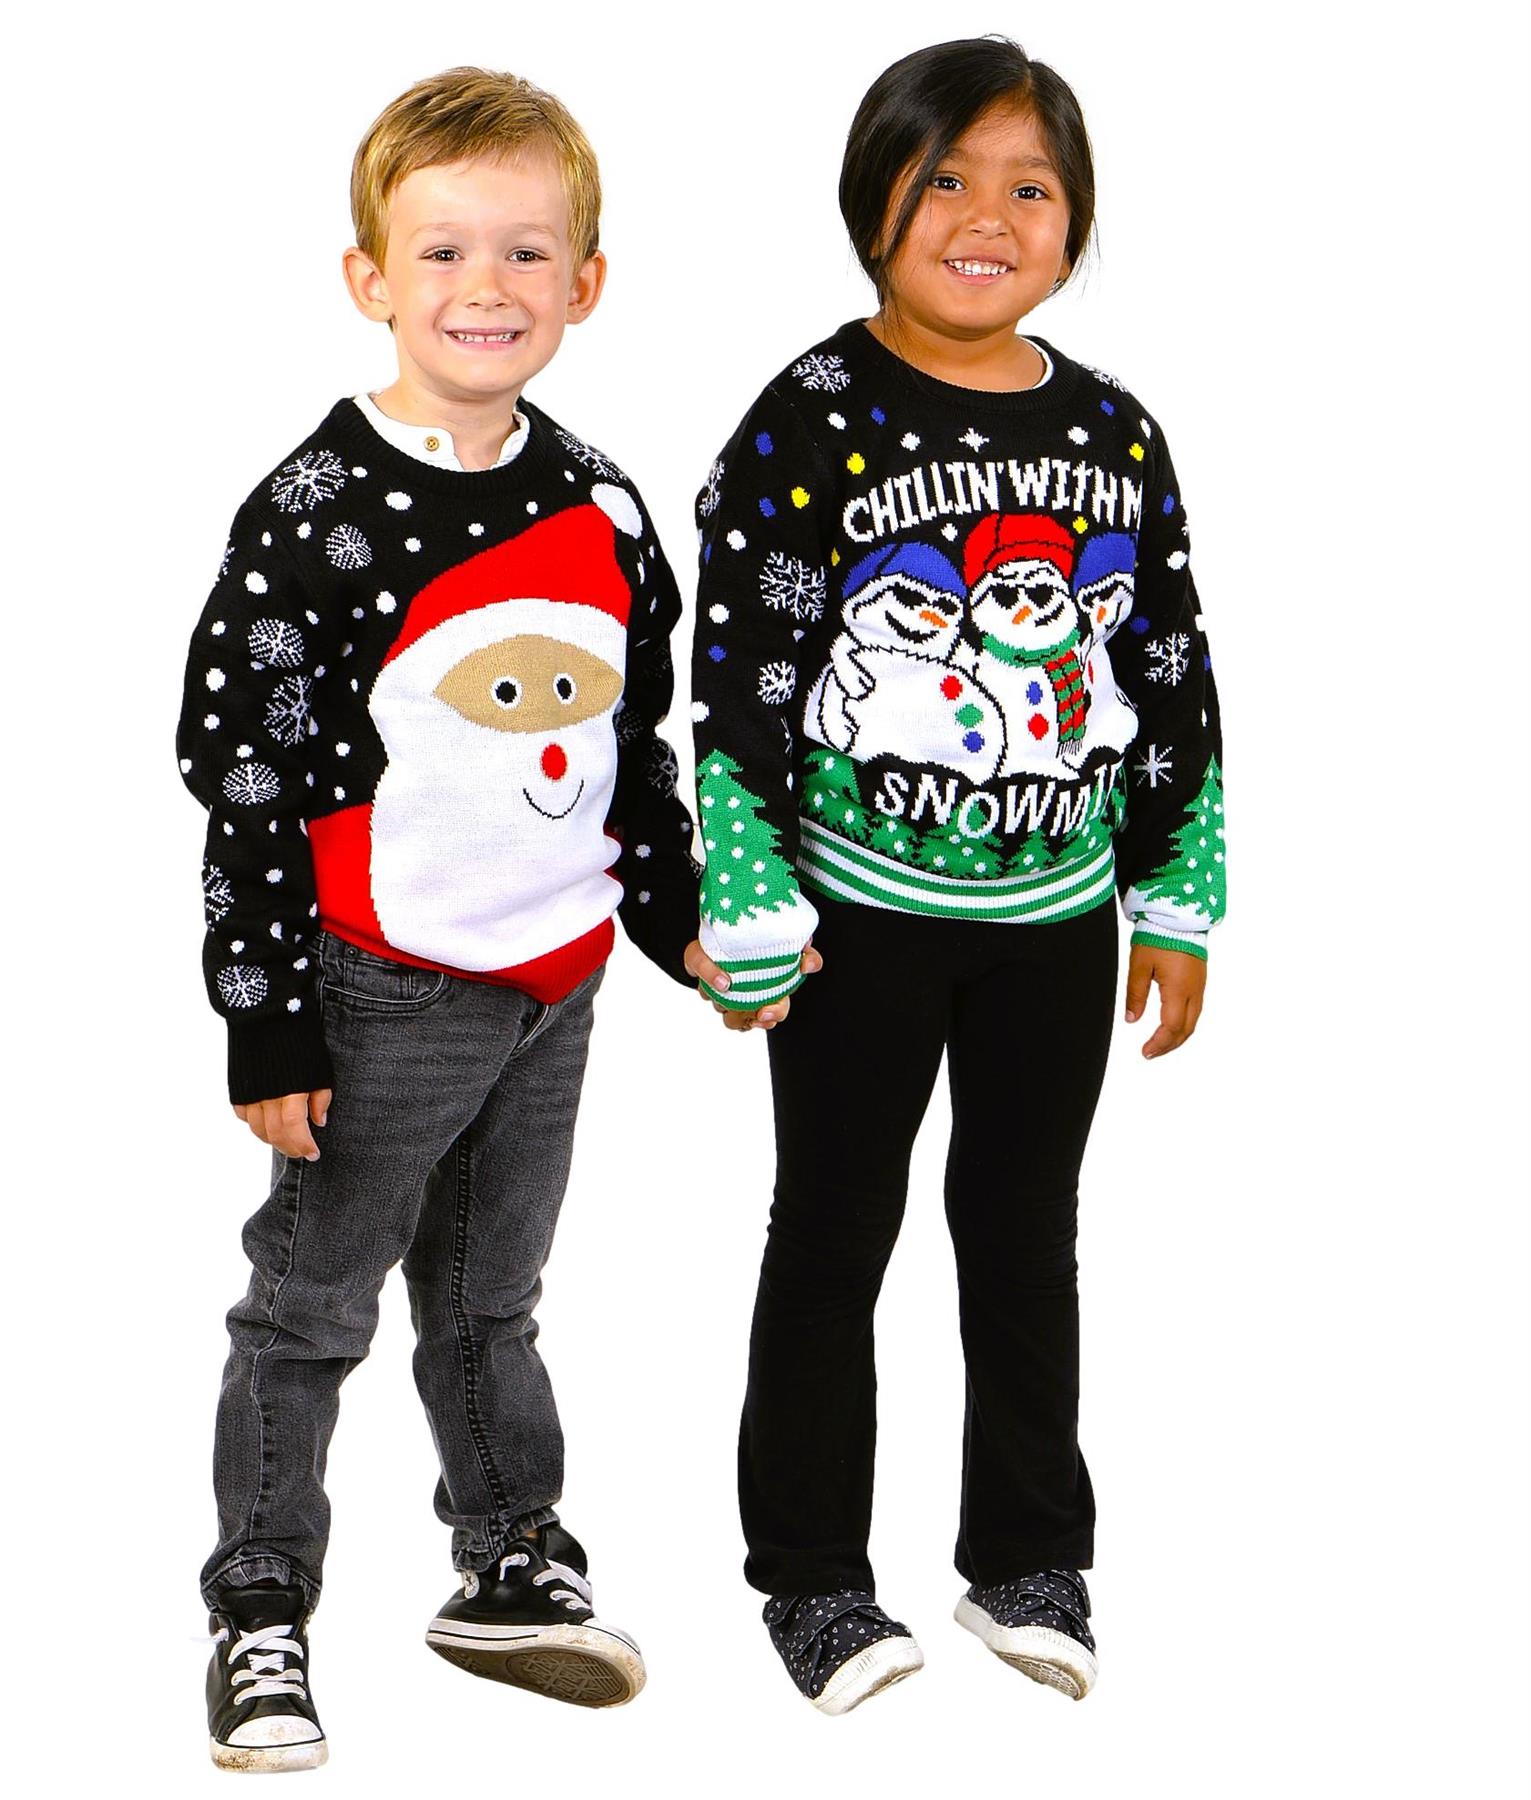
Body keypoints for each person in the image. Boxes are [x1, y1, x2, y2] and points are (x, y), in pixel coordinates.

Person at [687, 36, 1226, 1715]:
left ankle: (1027, 1557)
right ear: (874, 202)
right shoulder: (809, 414)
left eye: (1031, 187)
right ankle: (812, 1578)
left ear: (1076, 223)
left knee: (1024, 1225)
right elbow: (741, 675)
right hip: (858, 921)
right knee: (832, 1229)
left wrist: (1178, 891)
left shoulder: (1116, 430)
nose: (989, 217)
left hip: (1057, 924)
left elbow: (1168, 669)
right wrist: (747, 891)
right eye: (946, 181)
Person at [177, 66, 699, 1770]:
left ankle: (509, 1560)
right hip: (378, 990)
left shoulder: (605, 505)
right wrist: (266, 1013)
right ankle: (262, 1606)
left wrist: (679, 922)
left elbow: (631, 750)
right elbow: (247, 772)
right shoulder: (316, 516)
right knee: (310, 1305)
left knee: (490, 1296)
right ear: (371, 278)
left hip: (551, 987)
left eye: (529, 252)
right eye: (446, 250)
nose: (489, 286)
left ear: (586, 284)